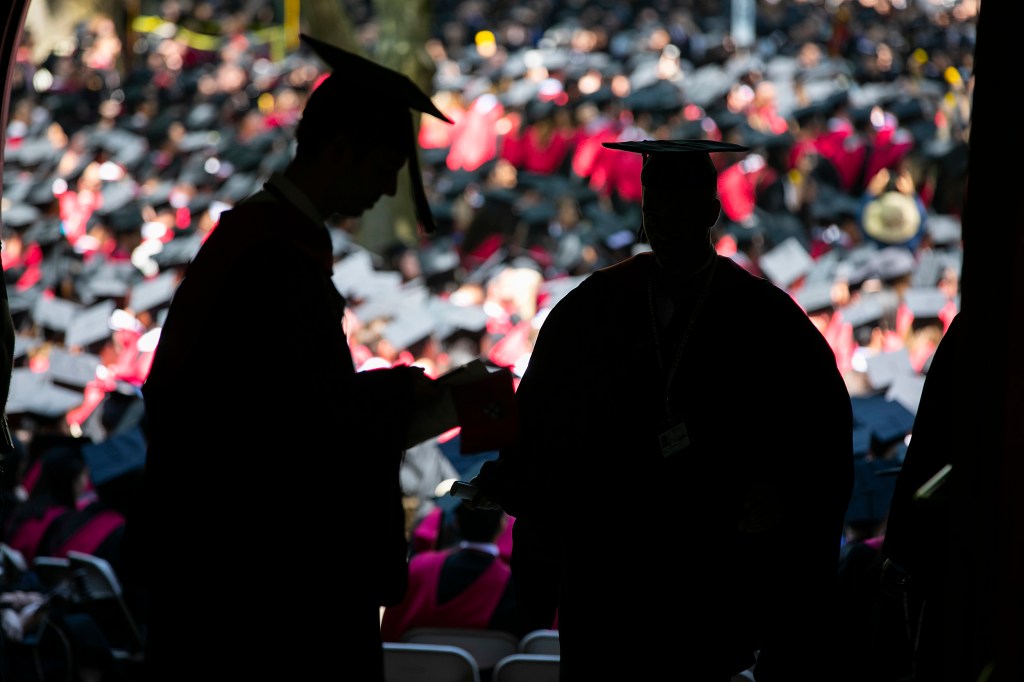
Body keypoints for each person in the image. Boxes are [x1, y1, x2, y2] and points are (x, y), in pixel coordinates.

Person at [126, 35, 457, 682]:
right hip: (253, 565)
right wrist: (413, 398)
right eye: (383, 169)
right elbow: (302, 426)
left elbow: (290, 397)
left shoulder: (260, 234)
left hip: (215, 542)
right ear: (342, 150)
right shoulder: (275, 257)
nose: (387, 190)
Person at [471, 139, 854, 681]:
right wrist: (515, 480)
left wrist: (779, 493)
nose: (665, 222)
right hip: (609, 570)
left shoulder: (761, 318)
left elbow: (818, 437)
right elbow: (542, 420)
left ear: (712, 212)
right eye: (655, 209)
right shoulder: (593, 307)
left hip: (710, 572)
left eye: (681, 207)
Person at [380, 500, 528, 643]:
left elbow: (390, 634)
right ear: (503, 524)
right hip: (487, 668)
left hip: (418, 667)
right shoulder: (517, 587)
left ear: (456, 522)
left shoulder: (417, 569)